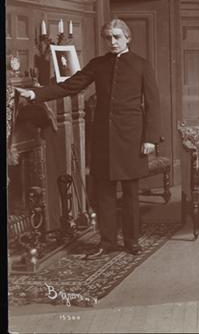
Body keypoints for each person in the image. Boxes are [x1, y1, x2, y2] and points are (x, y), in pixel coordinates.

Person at [15, 19, 161, 259]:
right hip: (103, 138)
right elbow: (70, 86)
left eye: (117, 37)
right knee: (104, 192)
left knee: (130, 193)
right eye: (108, 38)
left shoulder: (142, 65)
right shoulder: (98, 64)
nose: (112, 42)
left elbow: (153, 104)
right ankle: (107, 241)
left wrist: (150, 139)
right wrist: (35, 93)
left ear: (127, 37)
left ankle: (132, 241)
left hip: (131, 138)